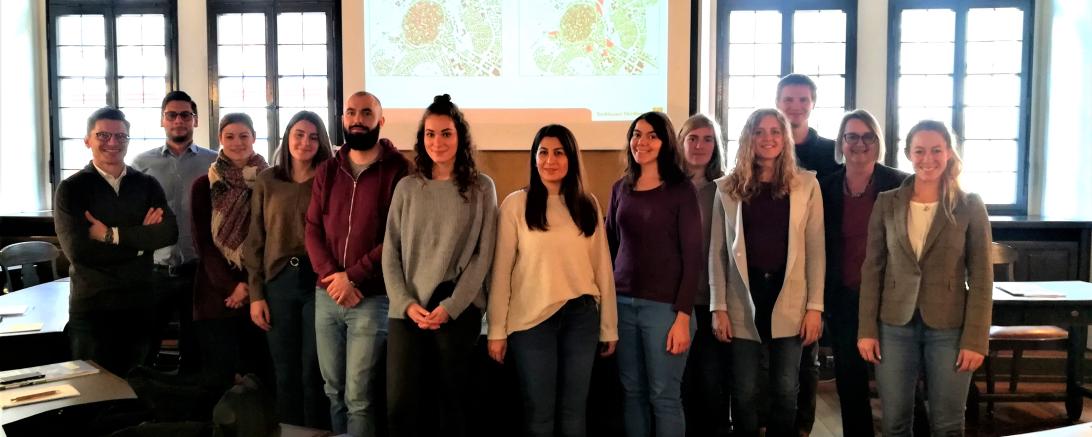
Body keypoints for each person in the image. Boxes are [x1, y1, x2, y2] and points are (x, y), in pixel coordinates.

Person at [857, 120, 992, 436]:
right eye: (919, 150)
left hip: (950, 328)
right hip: (893, 326)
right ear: (907, 153)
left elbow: (983, 277)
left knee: (947, 423)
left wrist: (975, 340)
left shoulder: (969, 205)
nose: (927, 158)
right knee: (894, 423)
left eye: (936, 150)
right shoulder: (887, 202)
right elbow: (872, 268)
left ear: (948, 154)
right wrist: (867, 329)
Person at [487, 124, 619, 437]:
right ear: (534, 158)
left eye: (559, 152)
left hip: (581, 318)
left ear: (571, 158)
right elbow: (501, 271)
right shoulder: (515, 205)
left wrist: (609, 326)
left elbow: (602, 269)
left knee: (575, 413)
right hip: (531, 323)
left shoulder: (587, 205)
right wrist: (495, 330)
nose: (550, 160)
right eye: (543, 152)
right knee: (539, 414)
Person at [383, 94, 497, 437]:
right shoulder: (406, 188)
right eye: (430, 134)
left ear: (460, 136)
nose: (438, 141)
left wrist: (451, 307)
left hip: (456, 309)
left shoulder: (481, 188)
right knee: (402, 404)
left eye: (446, 133)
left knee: (451, 402)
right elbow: (391, 251)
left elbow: (483, 254)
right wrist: (405, 304)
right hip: (409, 309)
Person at [710, 108, 825, 437]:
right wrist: (718, 307)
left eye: (775, 131)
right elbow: (717, 253)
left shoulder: (806, 185)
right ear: (749, 137)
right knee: (744, 391)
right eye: (759, 131)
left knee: (786, 390)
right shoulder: (727, 188)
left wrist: (815, 307)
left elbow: (816, 251)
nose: (768, 138)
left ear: (785, 138)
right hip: (741, 299)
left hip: (790, 298)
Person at [305, 91, 411, 437]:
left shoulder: (399, 171)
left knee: (359, 397)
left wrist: (353, 277)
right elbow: (312, 228)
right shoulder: (327, 170)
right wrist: (332, 278)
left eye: (367, 113)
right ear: (342, 120)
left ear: (381, 120)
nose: (357, 119)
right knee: (333, 391)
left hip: (372, 297)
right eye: (351, 112)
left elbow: (396, 237)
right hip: (327, 296)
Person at [53, 107, 178, 376]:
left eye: (121, 136)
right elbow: (81, 252)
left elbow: (168, 234)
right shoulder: (72, 189)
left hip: (140, 305)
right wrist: (142, 241)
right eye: (103, 135)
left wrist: (111, 235)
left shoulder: (146, 184)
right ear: (87, 140)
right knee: (92, 393)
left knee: (138, 390)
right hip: (94, 308)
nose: (113, 143)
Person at [607, 111, 702, 437]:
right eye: (636, 134)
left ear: (665, 142)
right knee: (632, 394)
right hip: (622, 305)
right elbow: (609, 248)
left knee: (664, 396)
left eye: (651, 135)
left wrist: (682, 317)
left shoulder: (681, 190)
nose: (641, 142)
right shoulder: (620, 188)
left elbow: (693, 259)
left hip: (665, 310)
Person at [818, 109, 909, 436]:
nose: (859, 143)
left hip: (889, 298)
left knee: (896, 381)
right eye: (851, 136)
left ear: (877, 142)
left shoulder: (899, 184)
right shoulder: (824, 186)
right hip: (842, 296)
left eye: (867, 136)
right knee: (850, 379)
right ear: (841, 142)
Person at [243, 110, 333, 427]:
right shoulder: (268, 179)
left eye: (312, 136)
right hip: (278, 282)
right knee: (285, 371)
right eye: (299, 134)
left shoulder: (330, 178)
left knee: (313, 370)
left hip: (318, 283)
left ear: (321, 141)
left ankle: (315, 431)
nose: (305, 142)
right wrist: (256, 294)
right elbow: (255, 239)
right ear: (287, 137)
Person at [133, 90, 217, 373]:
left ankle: (190, 412)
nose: (178, 120)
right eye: (172, 115)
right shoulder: (141, 164)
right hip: (155, 271)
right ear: (162, 121)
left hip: (197, 271)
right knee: (144, 349)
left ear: (195, 121)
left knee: (196, 351)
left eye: (185, 115)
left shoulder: (214, 162)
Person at [775, 73, 838, 436]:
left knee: (807, 351)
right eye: (788, 99)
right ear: (778, 102)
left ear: (812, 103)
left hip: (816, 259)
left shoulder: (830, 151)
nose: (795, 107)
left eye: (802, 100)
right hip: (775, 264)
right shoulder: (767, 145)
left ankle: (803, 425)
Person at [190, 112, 271, 390]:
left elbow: (271, 240)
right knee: (218, 380)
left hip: (260, 293)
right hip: (216, 296)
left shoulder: (270, 181)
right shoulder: (204, 185)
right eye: (230, 137)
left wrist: (249, 285)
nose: (237, 143)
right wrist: (231, 287)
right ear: (220, 140)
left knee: (260, 378)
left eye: (244, 136)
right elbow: (203, 242)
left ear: (254, 138)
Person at [676, 114, 732, 437]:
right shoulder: (667, 188)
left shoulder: (727, 189)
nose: (699, 146)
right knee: (681, 385)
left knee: (712, 386)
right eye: (693, 138)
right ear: (681, 142)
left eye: (708, 139)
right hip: (674, 306)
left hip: (714, 305)